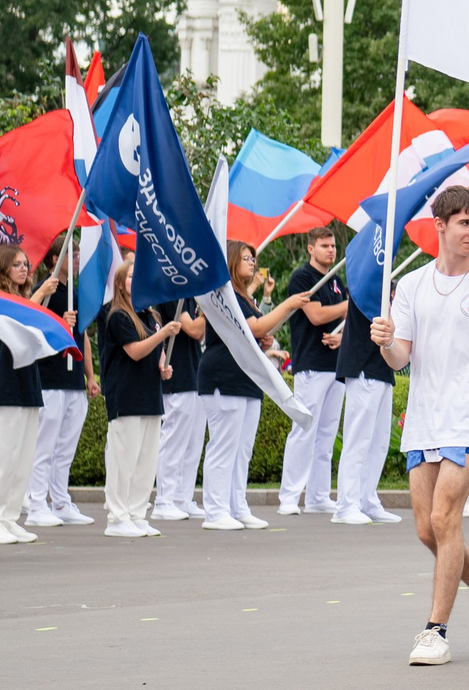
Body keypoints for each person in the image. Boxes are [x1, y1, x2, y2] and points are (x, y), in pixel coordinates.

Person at [369, 186, 469, 667]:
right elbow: (401, 358)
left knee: (445, 520)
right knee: (425, 530)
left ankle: (435, 631)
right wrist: (385, 341)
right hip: (424, 418)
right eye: (464, 223)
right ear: (440, 225)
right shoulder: (413, 285)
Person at [196, 240, 312, 532]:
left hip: (247, 376)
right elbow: (254, 327)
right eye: (246, 258)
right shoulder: (224, 294)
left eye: (253, 258)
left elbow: (259, 331)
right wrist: (288, 304)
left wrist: (266, 339)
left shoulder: (246, 298)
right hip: (223, 374)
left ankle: (237, 506)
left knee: (242, 448)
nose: (252, 263)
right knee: (224, 445)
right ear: (232, 261)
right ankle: (216, 510)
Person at [97, 254, 182, 536]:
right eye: (131, 276)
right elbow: (134, 351)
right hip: (126, 396)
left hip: (149, 395)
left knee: (146, 460)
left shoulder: (150, 314)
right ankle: (118, 518)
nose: (137, 280)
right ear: (120, 283)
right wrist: (164, 334)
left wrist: (163, 366)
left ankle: (137, 512)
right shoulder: (118, 315)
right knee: (124, 460)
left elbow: (154, 353)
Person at [275, 224, 350, 517]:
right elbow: (316, 315)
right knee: (304, 430)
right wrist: (347, 306)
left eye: (332, 246)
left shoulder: (335, 280)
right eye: (324, 246)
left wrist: (341, 335)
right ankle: (289, 497)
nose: (330, 250)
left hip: (336, 365)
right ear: (310, 248)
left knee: (327, 433)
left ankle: (318, 496)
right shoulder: (302, 277)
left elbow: (340, 319)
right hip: (311, 365)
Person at [22, 242, 98, 528]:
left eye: (78, 254)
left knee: (65, 447)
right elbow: (31, 323)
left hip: (73, 379)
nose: (77, 259)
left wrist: (89, 376)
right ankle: (37, 503)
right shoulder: (46, 290)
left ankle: (61, 501)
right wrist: (57, 321)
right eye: (72, 254)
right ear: (56, 258)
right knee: (45, 445)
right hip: (50, 378)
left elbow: (84, 337)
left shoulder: (75, 295)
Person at [0, 244, 47, 545]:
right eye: (17, 264)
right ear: (3, 266)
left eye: (26, 263)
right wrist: (41, 294)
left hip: (27, 383)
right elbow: (15, 323)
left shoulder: (21, 298)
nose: (24, 268)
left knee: (21, 457)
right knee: (0, 455)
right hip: (2, 383)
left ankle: (8, 518)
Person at [328, 286, 403, 524]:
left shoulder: (387, 285)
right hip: (362, 366)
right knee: (358, 439)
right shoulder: (366, 282)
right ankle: (345, 504)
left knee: (379, 442)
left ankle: (366, 499)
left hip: (383, 368)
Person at [149, 297, 208, 521]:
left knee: (192, 443)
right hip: (177, 375)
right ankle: (165, 499)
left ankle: (183, 497)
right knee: (173, 440)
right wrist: (208, 311)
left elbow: (199, 334)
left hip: (193, 374)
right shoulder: (173, 293)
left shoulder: (191, 297)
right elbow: (192, 328)